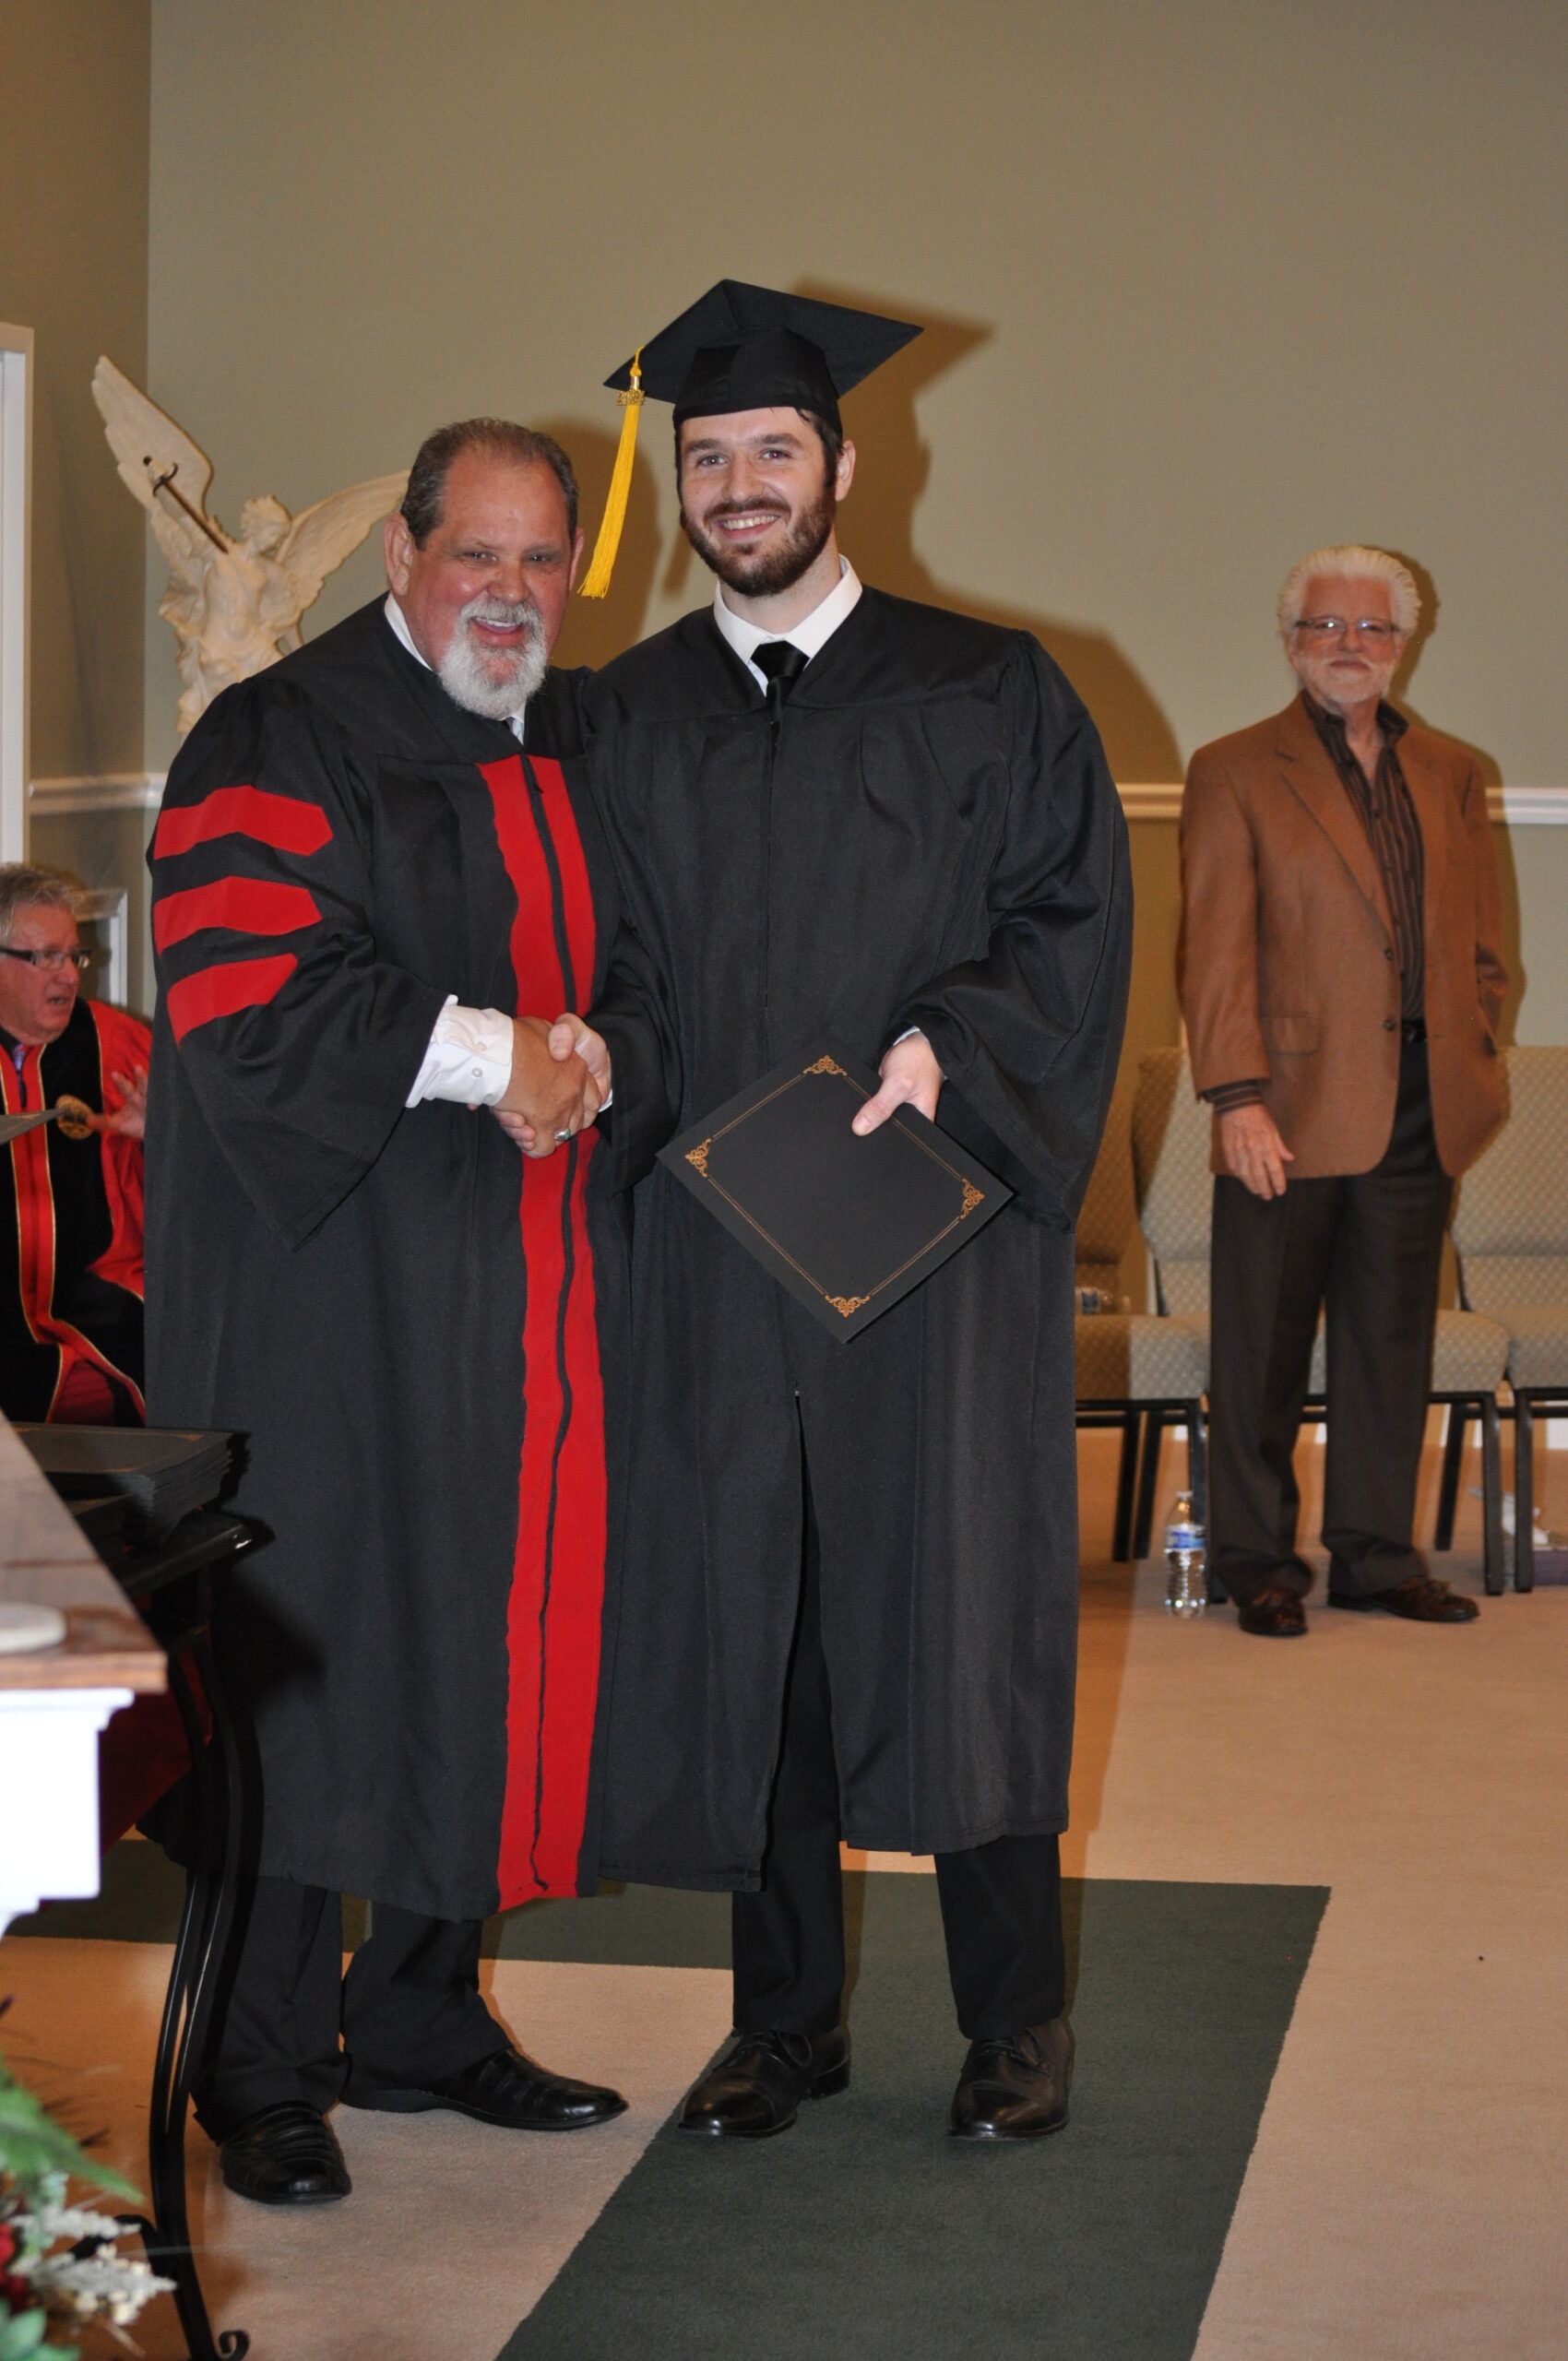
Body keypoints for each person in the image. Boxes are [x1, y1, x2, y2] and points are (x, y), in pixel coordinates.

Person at [546, 284, 1132, 2142]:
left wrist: (950, 1046)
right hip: (714, 1249)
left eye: (769, 453)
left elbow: (1067, 924)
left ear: (845, 467)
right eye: (707, 459)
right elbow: (606, 961)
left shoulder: (990, 688)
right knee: (754, 1624)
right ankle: (783, 2020)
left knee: (955, 1614)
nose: (736, 486)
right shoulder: (618, 716)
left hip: (931, 1241)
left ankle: (1013, 2017)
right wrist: (591, 1053)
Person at [145, 419, 631, 2208]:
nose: (507, 594)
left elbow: (647, 957)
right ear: (401, 558)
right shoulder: (277, 733)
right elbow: (249, 973)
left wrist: (600, 1047)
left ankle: (421, 2004)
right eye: (475, 555)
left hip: (518, 1293)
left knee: (475, 1629)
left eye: (539, 562)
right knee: (315, 1643)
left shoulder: (575, 733)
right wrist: (491, 1049)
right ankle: (255, 2061)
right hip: (323, 1294)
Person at [1179, 544, 1506, 1638]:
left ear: (1401, 646)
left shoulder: (1451, 771)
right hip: (1284, 1105)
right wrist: (1234, 1096)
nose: (1347, 647)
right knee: (1260, 1351)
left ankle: (1374, 1556)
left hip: (1422, 1105)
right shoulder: (1232, 768)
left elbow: (1483, 945)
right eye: (1324, 627)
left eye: (1370, 629)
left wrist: (1476, 1044)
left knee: (1388, 1346)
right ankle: (1256, 1563)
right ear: (1288, 642)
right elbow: (1212, 950)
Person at [0, 864, 148, 1423]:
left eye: (74, 956)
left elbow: (212, 1198)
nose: (67, 978)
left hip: (101, 1321)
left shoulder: (125, 1050)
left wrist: (164, 1140)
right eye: (45, 958)